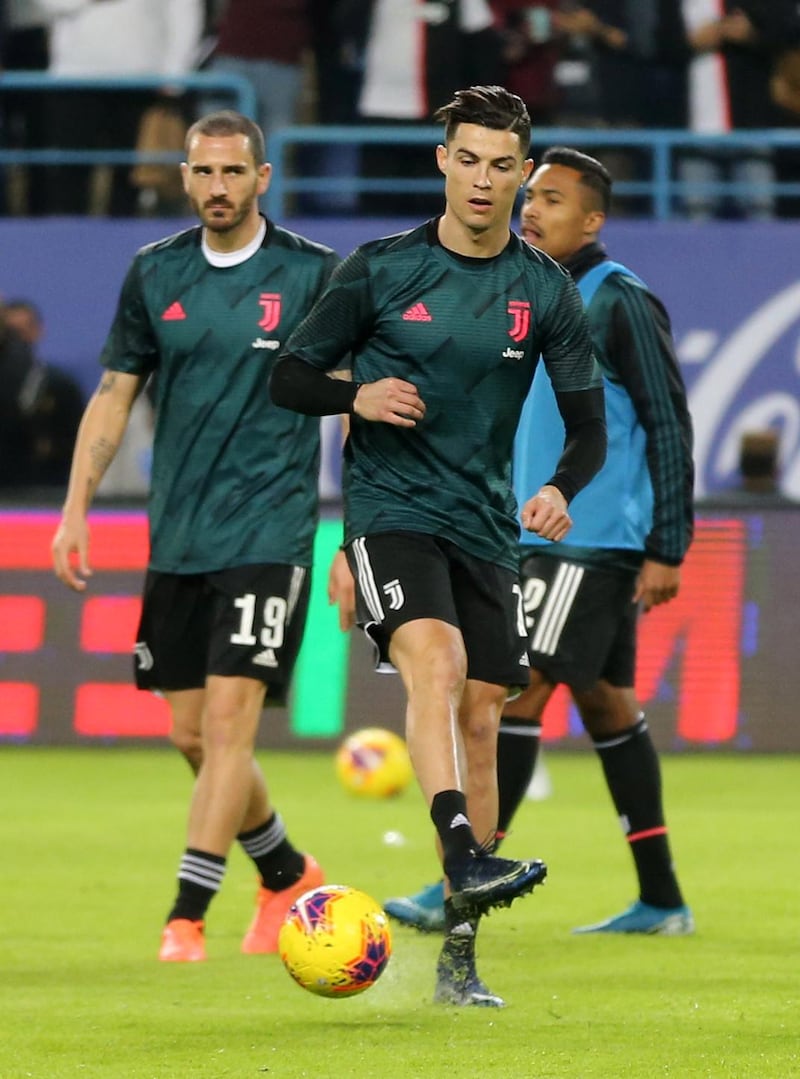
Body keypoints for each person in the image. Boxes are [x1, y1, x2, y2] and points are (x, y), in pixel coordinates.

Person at [270, 86, 607, 1007]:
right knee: (439, 661)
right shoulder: (380, 270)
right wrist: (357, 397)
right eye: (469, 159)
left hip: (487, 523)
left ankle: (459, 959)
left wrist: (556, 489)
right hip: (389, 510)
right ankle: (462, 849)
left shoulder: (544, 290)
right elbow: (288, 375)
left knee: (483, 718)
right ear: (442, 162)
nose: (485, 180)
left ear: (521, 173)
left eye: (504, 166)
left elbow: (588, 431)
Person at [384, 146, 696, 937]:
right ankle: (662, 898)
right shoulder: (526, 292)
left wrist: (669, 542)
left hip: (591, 540)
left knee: (509, 690)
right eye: (534, 195)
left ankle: (463, 875)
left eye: (553, 199)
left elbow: (666, 421)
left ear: (593, 219)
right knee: (607, 703)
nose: (532, 207)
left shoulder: (616, 298)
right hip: (533, 535)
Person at [51, 110, 337, 962]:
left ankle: (187, 914)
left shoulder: (313, 275)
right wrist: (76, 505)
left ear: (262, 178)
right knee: (189, 733)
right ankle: (287, 870)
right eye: (203, 174)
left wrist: (359, 532)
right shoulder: (155, 272)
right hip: (178, 533)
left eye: (232, 173)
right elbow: (114, 394)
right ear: (184, 177)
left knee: (228, 722)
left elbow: (356, 403)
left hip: (271, 528)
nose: (218, 188)